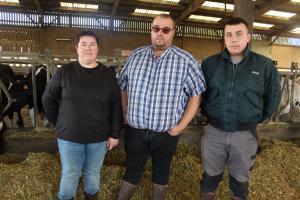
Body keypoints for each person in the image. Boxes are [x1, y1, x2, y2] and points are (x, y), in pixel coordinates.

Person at [117, 14, 206, 200]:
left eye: (166, 30)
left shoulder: (186, 60)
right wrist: (124, 113)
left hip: (166, 132)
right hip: (135, 129)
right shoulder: (135, 56)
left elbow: (196, 94)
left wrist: (181, 126)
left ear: (173, 32)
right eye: (156, 28)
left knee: (162, 171)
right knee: (132, 168)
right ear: (151, 31)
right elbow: (122, 86)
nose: (160, 33)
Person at [199, 17, 281, 200]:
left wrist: (253, 119)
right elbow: (201, 95)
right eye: (229, 35)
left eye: (238, 34)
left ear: (248, 37)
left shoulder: (264, 66)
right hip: (213, 132)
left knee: (240, 182)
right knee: (209, 179)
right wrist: (210, 115)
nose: (233, 39)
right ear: (224, 38)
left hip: (245, 135)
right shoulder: (210, 64)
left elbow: (272, 97)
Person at [42, 30, 122, 200]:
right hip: (70, 137)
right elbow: (48, 99)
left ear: (98, 49)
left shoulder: (108, 75)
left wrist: (114, 134)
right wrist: (58, 122)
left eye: (92, 44)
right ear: (76, 48)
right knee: (71, 173)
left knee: (93, 173)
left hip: (98, 137)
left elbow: (116, 105)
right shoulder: (64, 72)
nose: (88, 48)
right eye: (83, 44)